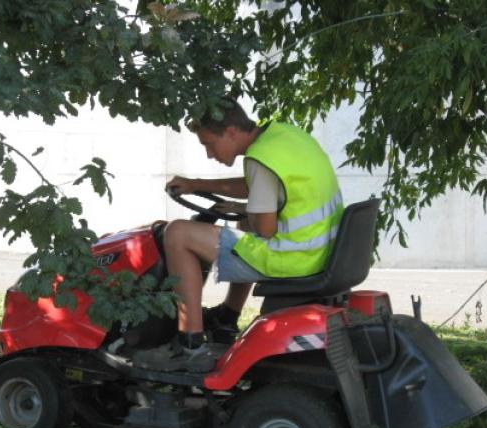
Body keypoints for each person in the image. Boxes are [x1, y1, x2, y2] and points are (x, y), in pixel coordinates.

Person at [134, 99, 343, 372]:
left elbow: (264, 229)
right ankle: (226, 319)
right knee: (243, 220)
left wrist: (247, 210)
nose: (210, 154)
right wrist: (196, 185)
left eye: (209, 144)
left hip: (291, 258)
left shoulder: (260, 159)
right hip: (318, 250)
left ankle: (190, 345)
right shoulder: (285, 136)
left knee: (177, 234)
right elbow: (257, 187)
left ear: (231, 131)